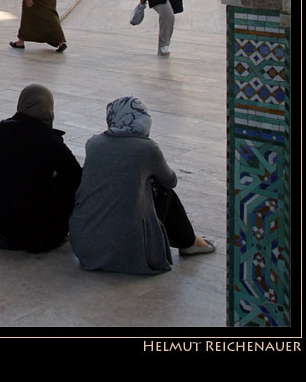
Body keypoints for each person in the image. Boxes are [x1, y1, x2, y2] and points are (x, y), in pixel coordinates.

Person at [69, 96, 214, 275]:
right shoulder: (146, 148)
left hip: (86, 246)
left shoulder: (94, 144)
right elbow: (170, 180)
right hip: (131, 249)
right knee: (163, 191)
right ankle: (189, 243)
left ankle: (189, 241)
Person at [0, 84, 82, 251]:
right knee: (66, 184)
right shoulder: (51, 141)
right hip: (36, 235)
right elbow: (76, 177)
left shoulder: (0, 132)